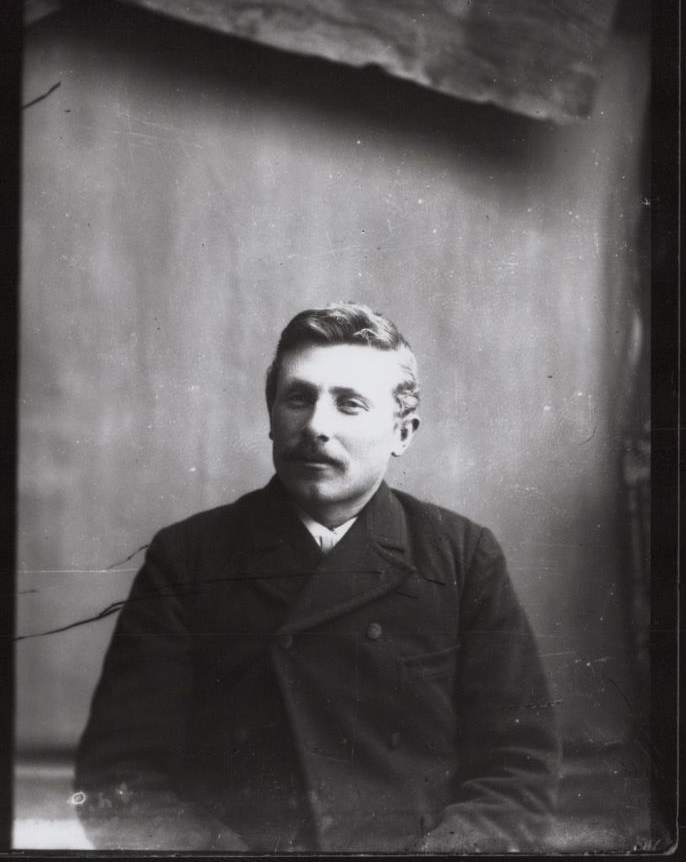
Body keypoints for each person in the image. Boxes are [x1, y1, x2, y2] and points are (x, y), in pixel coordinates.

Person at [74, 302, 560, 852]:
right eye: (298, 399)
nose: (315, 427)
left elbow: (518, 774)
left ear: (402, 432)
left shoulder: (463, 556)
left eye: (349, 404)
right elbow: (119, 779)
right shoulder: (188, 558)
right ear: (271, 416)